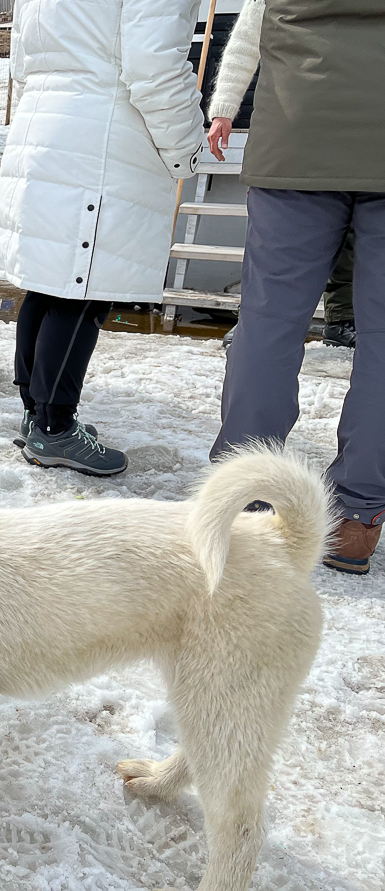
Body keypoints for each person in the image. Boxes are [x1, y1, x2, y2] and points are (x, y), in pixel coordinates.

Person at [0, 0, 204, 476]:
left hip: (47, 126)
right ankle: (54, 427)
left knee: (48, 283)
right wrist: (188, 148)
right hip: (105, 135)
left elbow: (23, 61)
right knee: (82, 291)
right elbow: (156, 67)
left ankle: (38, 412)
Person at [210, 0, 384, 575]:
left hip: (297, 139)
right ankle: (356, 520)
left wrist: (225, 106)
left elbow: (253, 25)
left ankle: (243, 496)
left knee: (269, 321)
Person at [206, 0, 356, 350]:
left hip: (367, 129)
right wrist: (224, 110)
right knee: (278, 238)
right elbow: (246, 39)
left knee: (355, 234)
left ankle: (343, 318)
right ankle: (257, 323)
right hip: (297, 124)